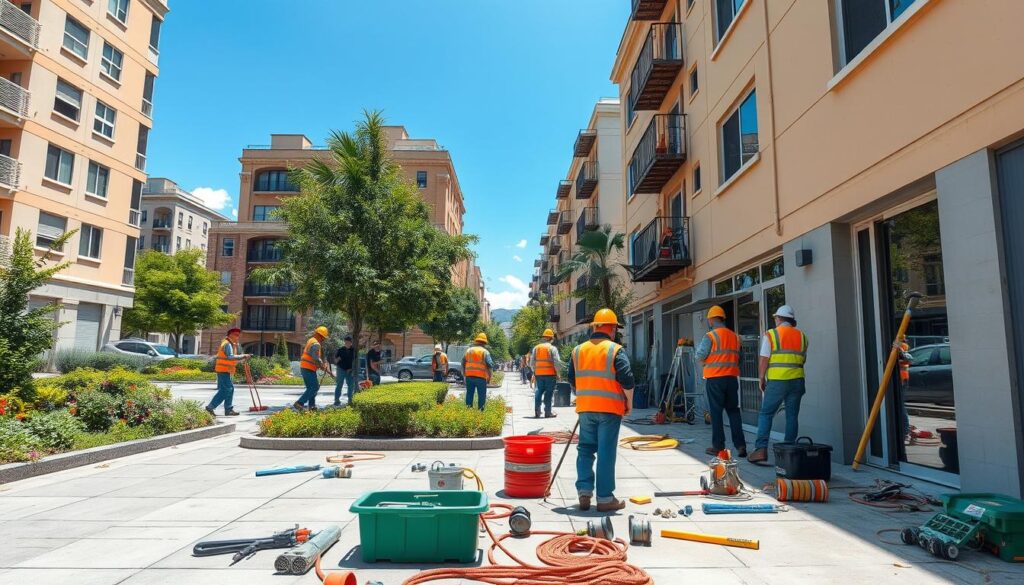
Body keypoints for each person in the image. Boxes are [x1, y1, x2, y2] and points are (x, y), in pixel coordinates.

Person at [569, 308, 634, 513]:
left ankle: (584, 492)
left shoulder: (578, 350)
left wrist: (586, 395)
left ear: (595, 326)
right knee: (606, 452)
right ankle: (605, 498)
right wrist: (629, 403)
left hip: (586, 409)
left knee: (586, 449)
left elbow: (572, 379)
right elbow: (627, 379)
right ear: (612, 328)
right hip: (609, 410)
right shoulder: (615, 349)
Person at [749, 305, 808, 464]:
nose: (774, 320)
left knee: (766, 413)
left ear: (779, 319)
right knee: (792, 416)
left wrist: (761, 378)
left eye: (775, 318)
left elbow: (764, 359)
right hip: (797, 381)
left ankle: (761, 449)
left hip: (777, 381)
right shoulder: (802, 336)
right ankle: (788, 453)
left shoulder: (771, 334)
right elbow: (803, 359)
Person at [695, 306, 748, 457]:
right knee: (733, 411)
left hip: (715, 378)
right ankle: (741, 446)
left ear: (711, 319)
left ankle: (718, 446)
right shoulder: (735, 337)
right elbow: (741, 359)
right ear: (722, 318)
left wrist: (708, 362)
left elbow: (699, 355)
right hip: (731, 379)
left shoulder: (710, 336)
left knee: (716, 412)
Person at [207, 328, 250, 416]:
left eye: (238, 335)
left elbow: (230, 357)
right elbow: (230, 357)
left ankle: (228, 409)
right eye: (236, 335)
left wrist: (241, 358)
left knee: (230, 389)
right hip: (223, 369)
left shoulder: (231, 343)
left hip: (226, 369)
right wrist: (243, 356)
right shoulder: (227, 344)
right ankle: (210, 407)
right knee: (226, 389)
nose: (237, 337)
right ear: (230, 335)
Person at [295, 326, 330, 411]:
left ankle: (312, 406)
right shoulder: (316, 344)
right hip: (308, 368)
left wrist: (320, 365)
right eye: (323, 338)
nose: (324, 340)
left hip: (306, 367)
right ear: (320, 336)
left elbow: (313, 356)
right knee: (314, 387)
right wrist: (322, 365)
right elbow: (315, 357)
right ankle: (300, 402)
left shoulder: (311, 340)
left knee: (311, 387)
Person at [530, 328, 562, 418]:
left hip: (539, 374)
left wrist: (534, 372)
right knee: (549, 393)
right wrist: (558, 373)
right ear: (551, 338)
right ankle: (548, 412)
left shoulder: (536, 348)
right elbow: (556, 362)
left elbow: (532, 363)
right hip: (550, 374)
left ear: (543, 337)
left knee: (538, 391)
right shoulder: (552, 348)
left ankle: (537, 410)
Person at [462, 333, 494, 410]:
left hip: (469, 377)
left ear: (476, 341)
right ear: (484, 342)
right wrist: (489, 377)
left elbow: (463, 362)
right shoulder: (485, 352)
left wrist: (464, 374)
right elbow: (490, 365)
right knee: (481, 396)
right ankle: (480, 414)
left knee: (469, 394)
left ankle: (468, 412)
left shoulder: (469, 350)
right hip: (481, 377)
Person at [333, 335, 356, 406]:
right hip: (341, 369)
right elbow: (335, 361)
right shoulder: (340, 350)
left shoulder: (354, 351)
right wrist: (338, 359)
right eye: (346, 342)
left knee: (351, 385)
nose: (347, 343)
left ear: (351, 342)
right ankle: (336, 400)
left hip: (350, 370)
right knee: (339, 385)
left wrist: (352, 369)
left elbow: (355, 361)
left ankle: (350, 400)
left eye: (348, 342)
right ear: (344, 342)